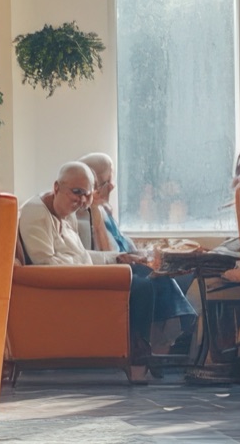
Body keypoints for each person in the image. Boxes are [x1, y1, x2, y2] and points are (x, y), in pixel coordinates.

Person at [18, 161, 164, 382]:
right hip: (68, 289)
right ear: (56, 187)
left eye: (87, 195)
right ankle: (138, 359)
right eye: (76, 193)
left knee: (147, 274)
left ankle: (145, 349)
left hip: (81, 278)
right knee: (141, 287)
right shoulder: (36, 213)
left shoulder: (67, 212)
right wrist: (101, 272)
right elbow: (44, 265)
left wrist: (117, 258)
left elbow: (81, 254)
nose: (82, 201)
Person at [79, 151, 198, 372]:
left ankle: (162, 349)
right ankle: (156, 354)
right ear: (94, 186)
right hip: (120, 270)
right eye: (107, 181)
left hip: (133, 261)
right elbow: (108, 254)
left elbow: (125, 243)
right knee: (159, 280)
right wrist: (95, 212)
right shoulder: (84, 215)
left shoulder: (105, 210)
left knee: (185, 271)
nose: (113, 186)